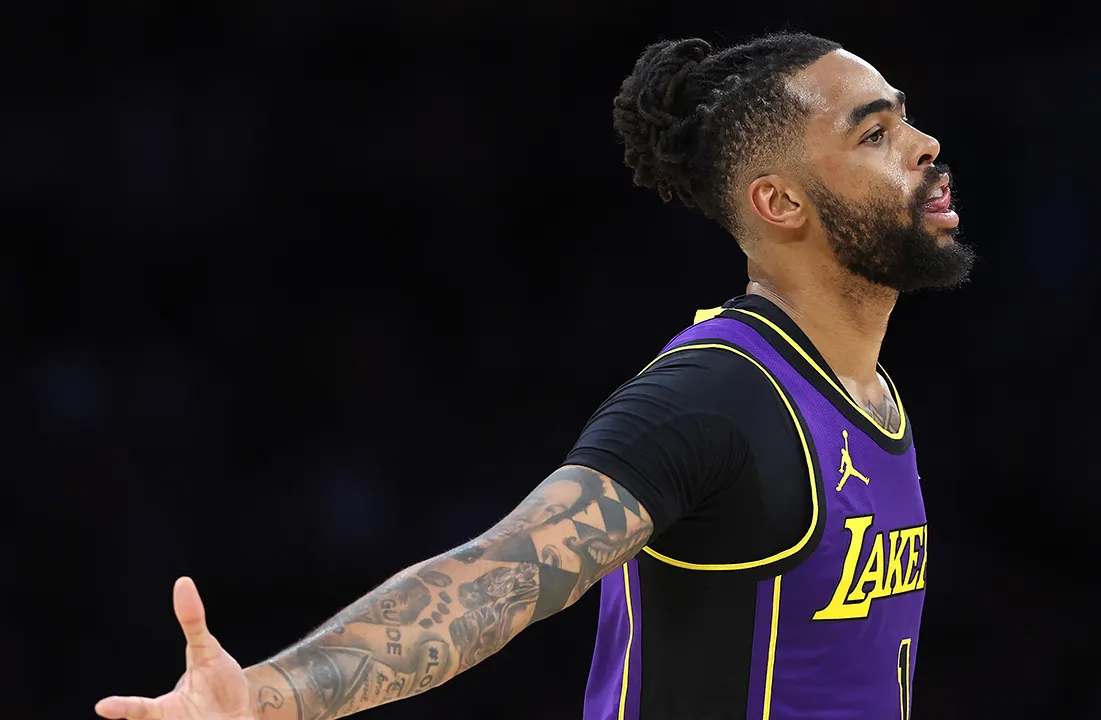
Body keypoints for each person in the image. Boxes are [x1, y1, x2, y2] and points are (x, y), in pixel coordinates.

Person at [96, 31, 974, 720]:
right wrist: (268, 698)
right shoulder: (719, 396)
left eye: (904, 119)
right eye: (876, 133)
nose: (925, 144)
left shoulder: (865, 391)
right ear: (779, 202)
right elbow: (497, 576)